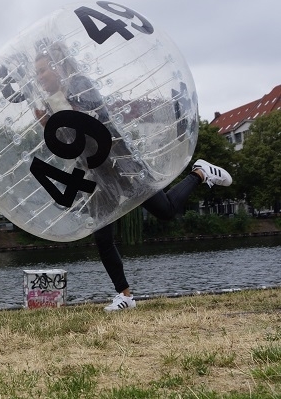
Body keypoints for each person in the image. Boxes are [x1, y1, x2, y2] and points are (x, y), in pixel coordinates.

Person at [32, 41, 233, 312]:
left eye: (43, 70)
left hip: (120, 160)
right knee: (102, 236)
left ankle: (200, 172)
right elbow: (70, 145)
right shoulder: (47, 105)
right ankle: (125, 296)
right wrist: (48, 127)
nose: (40, 77)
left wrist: (62, 116)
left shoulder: (79, 84)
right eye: (37, 73)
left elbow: (98, 116)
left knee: (166, 210)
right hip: (96, 172)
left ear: (57, 68)